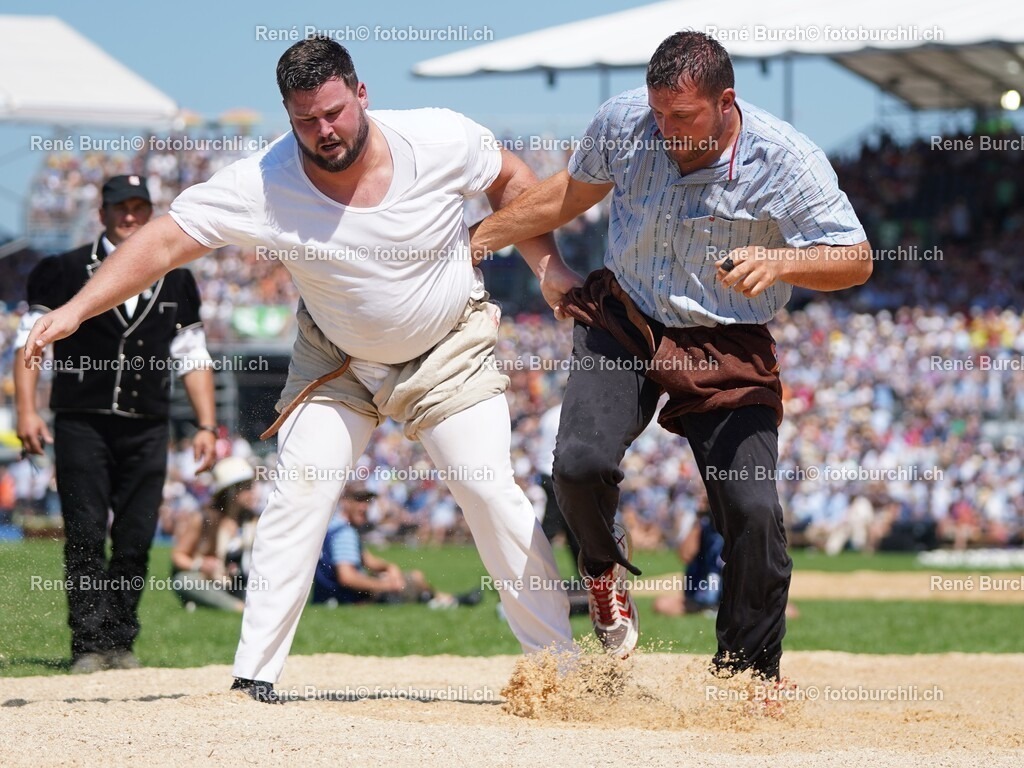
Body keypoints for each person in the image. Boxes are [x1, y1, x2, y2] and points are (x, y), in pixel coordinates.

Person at [24, 37, 573, 701]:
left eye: (335, 112)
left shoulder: (439, 137)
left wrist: (548, 268)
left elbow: (513, 180)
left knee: (488, 491)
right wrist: (78, 308)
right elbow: (166, 239)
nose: (325, 131)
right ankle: (255, 675)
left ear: (361, 93)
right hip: (337, 360)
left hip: (446, 349)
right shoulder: (264, 180)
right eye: (306, 120)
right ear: (288, 115)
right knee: (298, 490)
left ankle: (561, 669)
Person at [472, 31, 871, 678]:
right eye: (658, 112)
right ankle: (601, 573)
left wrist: (782, 259)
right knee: (577, 464)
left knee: (751, 508)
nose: (665, 129)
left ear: (725, 102)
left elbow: (855, 259)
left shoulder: (786, 159)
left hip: (725, 341)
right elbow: (570, 194)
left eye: (682, 116)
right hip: (625, 318)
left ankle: (745, 675)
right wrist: (478, 239)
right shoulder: (627, 121)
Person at [14, 175, 217, 674]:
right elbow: (30, 343)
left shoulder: (178, 277)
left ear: (149, 212)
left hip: (149, 424)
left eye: (138, 207)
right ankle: (86, 643)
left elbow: (192, 355)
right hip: (82, 421)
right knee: (84, 532)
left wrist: (208, 426)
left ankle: (119, 640)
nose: (129, 216)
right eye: (119, 207)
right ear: (101, 213)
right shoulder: (60, 269)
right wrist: (26, 410)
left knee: (135, 536)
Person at [312, 483, 480, 609]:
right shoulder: (344, 533)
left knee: (406, 580)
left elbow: (367, 560)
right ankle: (448, 601)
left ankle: (441, 600)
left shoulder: (335, 526)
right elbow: (347, 577)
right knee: (415, 578)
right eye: (359, 500)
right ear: (345, 502)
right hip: (346, 598)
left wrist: (389, 567)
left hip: (332, 596)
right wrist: (386, 585)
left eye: (367, 501)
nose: (365, 507)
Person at [170, 456, 259, 612]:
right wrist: (200, 565)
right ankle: (237, 607)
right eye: (246, 487)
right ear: (231, 491)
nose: (252, 492)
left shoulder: (253, 521)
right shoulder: (204, 519)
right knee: (183, 580)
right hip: (210, 581)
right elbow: (178, 556)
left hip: (244, 583)